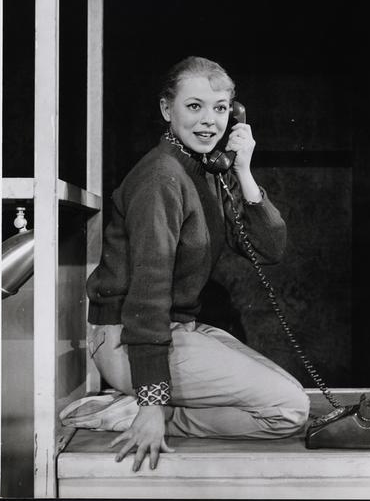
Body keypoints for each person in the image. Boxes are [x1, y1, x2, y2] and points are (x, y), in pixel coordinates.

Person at [84, 56, 310, 472]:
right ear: (166, 109)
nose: (210, 120)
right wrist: (152, 404)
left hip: (176, 331)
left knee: (289, 393)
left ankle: (151, 407)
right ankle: (144, 413)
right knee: (289, 410)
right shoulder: (161, 178)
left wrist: (243, 170)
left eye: (221, 108)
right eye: (194, 106)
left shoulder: (204, 172)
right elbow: (148, 292)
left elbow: (269, 248)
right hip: (128, 340)